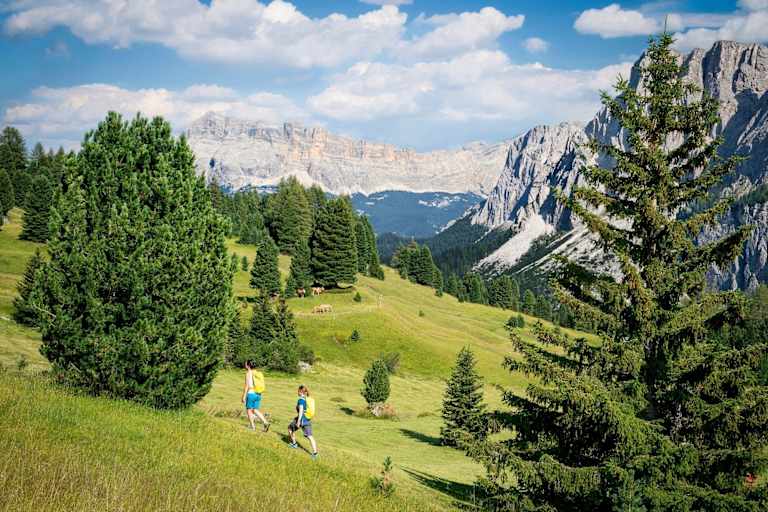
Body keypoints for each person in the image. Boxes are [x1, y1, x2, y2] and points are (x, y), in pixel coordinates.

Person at [288, 384, 318, 460]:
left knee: (290, 428)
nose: (297, 392)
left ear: (301, 391)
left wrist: (298, 421)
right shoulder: (308, 399)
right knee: (310, 436)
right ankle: (315, 453)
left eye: (298, 391)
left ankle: (294, 444)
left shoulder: (301, 400)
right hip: (307, 419)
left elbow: (301, 411)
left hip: (301, 419)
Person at [242, 360, 270, 432]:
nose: (245, 365)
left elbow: (247, 385)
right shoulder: (257, 373)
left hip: (251, 393)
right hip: (258, 394)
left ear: (248, 366)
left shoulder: (248, 373)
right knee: (255, 410)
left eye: (245, 364)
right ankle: (265, 422)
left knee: (249, 410)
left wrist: (244, 396)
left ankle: (252, 426)